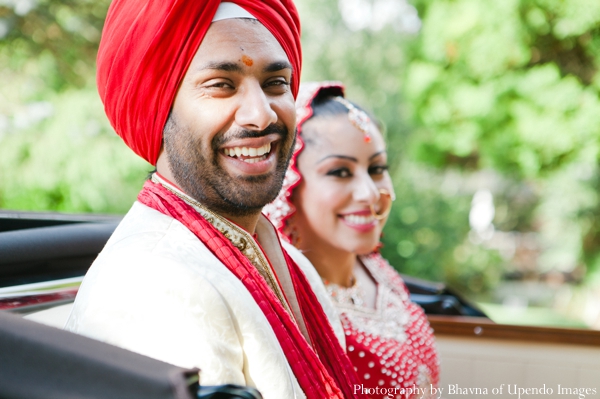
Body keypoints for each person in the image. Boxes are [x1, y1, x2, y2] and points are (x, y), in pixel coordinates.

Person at [64, 3, 366, 399]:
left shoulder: (294, 267)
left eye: (276, 83)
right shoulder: (155, 285)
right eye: (222, 85)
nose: (260, 115)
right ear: (160, 107)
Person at [264, 81, 440, 399]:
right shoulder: (283, 303)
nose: (370, 193)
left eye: (377, 168)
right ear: (288, 185)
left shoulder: (376, 269)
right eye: (340, 172)